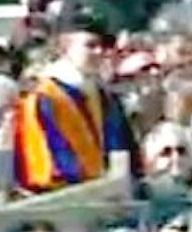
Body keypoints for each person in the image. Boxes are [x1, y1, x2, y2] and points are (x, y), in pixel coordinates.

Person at [13, 13, 140, 193]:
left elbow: (122, 146)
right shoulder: (42, 96)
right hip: (63, 198)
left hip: (109, 194)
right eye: (90, 45)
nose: (99, 52)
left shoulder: (103, 95)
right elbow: (47, 159)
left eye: (101, 46)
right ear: (64, 47)